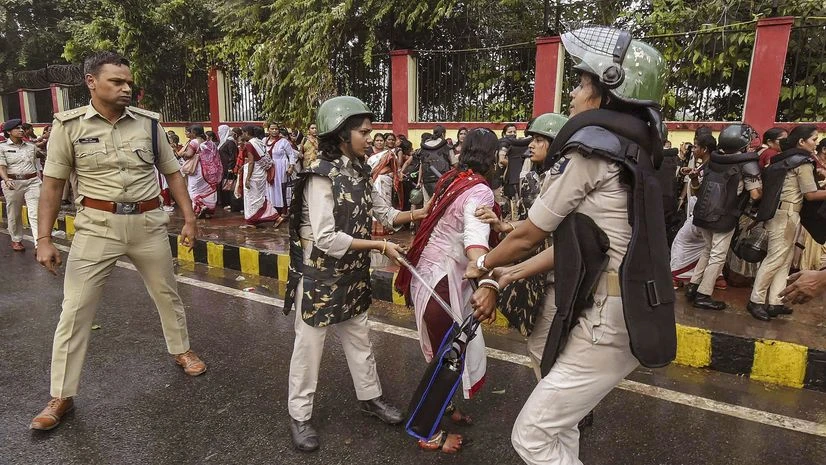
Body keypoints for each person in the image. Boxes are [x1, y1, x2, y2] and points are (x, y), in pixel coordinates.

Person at [466, 27, 675, 464]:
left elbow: (528, 233)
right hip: (630, 309)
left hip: (605, 318)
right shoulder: (641, 152)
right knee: (559, 429)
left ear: (607, 91)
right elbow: (573, 244)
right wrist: (509, 272)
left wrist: (482, 263)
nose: (575, 97)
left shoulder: (591, 154)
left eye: (581, 85)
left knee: (532, 434)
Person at [30, 51, 206, 431]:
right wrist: (43, 238)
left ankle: (181, 350)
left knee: (167, 293)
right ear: (92, 82)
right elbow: (53, 183)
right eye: (117, 82)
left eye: (128, 82)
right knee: (75, 308)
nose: (126, 88)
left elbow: (173, 174)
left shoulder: (148, 124)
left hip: (148, 223)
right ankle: (62, 393)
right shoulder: (69, 125)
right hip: (96, 227)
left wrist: (189, 219)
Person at [282, 96, 405, 453]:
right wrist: (380, 248)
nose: (371, 138)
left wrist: (424, 211)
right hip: (320, 277)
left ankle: (370, 399)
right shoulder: (320, 176)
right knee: (309, 350)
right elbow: (325, 238)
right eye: (364, 132)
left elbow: (385, 214)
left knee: (360, 340)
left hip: (352, 275)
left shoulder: (360, 170)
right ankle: (300, 415)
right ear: (340, 133)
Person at [749, 125, 826, 319]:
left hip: (781, 212)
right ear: (802, 142)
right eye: (814, 139)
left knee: (784, 260)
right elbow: (810, 194)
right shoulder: (803, 162)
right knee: (775, 259)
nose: (816, 143)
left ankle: (776, 301)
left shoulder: (783, 160)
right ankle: (755, 301)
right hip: (787, 214)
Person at [686, 124, 762, 311]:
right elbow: (755, 195)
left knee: (707, 250)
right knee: (717, 256)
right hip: (724, 217)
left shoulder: (714, 160)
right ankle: (703, 295)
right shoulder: (748, 164)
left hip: (703, 214)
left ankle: (693, 286)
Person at [670, 133, 717, 285]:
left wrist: (694, 179)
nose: (693, 149)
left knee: (681, 241)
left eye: (696, 146)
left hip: (700, 213)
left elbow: (701, 191)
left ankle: (677, 276)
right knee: (707, 246)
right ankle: (712, 278)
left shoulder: (710, 167)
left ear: (704, 149)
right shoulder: (706, 165)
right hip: (703, 213)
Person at [371, 138, 429, 233]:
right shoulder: (379, 155)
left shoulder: (393, 153)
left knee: (386, 204)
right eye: (377, 140)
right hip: (378, 182)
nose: (370, 140)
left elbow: (397, 167)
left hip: (388, 181)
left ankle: (387, 229)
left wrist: (420, 213)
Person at [0, 118, 41, 251]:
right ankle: (16, 239)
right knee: (14, 213)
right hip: (13, 183)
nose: (21, 130)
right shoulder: (2, 147)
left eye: (21, 128)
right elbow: (2, 167)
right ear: (9, 132)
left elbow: (39, 159)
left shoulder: (31, 146)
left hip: (32, 182)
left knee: (35, 213)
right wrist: (6, 179)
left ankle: (38, 243)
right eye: (17, 128)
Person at [237, 125, 282, 227]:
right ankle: (253, 221)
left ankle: (274, 216)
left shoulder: (249, 144)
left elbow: (252, 162)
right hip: (261, 172)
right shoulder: (258, 141)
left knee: (253, 198)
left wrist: (248, 178)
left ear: (247, 133)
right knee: (258, 197)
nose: (242, 135)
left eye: (243, 133)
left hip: (254, 174)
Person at [178, 125, 219, 218]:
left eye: (191, 131)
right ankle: (208, 210)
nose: (189, 133)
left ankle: (200, 206)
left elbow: (189, 155)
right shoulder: (210, 143)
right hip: (208, 171)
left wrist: (182, 153)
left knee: (193, 190)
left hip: (197, 170)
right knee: (206, 189)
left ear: (194, 133)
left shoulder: (194, 142)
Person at [217, 124, 238, 209]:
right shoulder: (224, 142)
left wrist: (230, 167)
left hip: (228, 168)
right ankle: (224, 202)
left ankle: (230, 203)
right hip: (223, 167)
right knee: (225, 185)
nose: (218, 133)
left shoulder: (230, 142)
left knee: (229, 185)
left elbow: (232, 156)